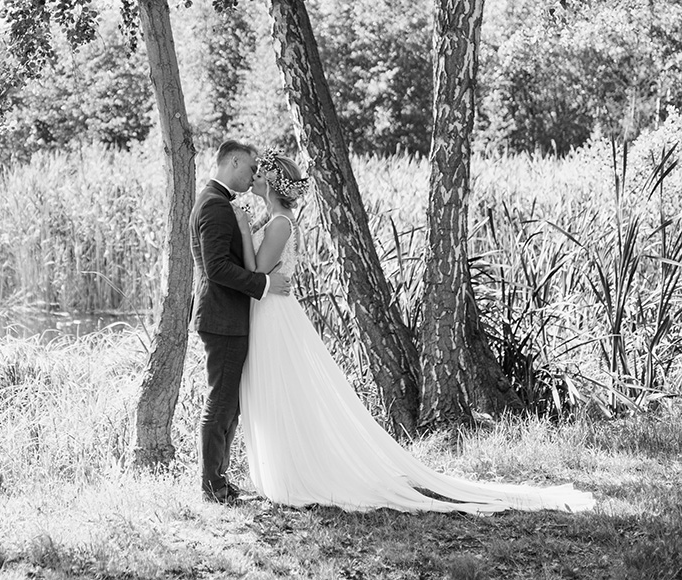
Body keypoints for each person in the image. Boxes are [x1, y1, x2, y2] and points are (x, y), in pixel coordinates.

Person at [234, 147, 595, 513]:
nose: (254, 177)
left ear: (272, 182)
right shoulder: (275, 219)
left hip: (274, 315)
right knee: (278, 389)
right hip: (270, 311)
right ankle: (285, 467)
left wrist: (245, 230)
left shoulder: (279, 224)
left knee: (278, 387)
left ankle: (296, 474)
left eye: (260, 172)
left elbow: (257, 271)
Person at [189, 140, 291, 505]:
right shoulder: (215, 206)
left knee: (229, 403)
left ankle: (219, 480)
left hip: (227, 315)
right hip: (222, 317)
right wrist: (263, 284)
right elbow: (216, 268)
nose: (252, 177)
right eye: (250, 168)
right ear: (233, 161)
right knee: (221, 403)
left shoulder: (216, 201)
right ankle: (212, 486)